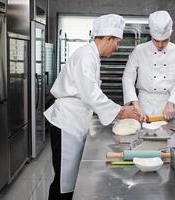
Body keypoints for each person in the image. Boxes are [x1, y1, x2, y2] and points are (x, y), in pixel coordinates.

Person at [44, 14, 141, 200]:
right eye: (117, 42)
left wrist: (116, 110)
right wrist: (120, 111)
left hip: (74, 122)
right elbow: (90, 93)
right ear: (108, 38)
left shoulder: (92, 56)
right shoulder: (86, 56)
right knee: (64, 182)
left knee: (69, 179)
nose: (117, 47)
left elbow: (90, 93)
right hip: (67, 123)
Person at [122, 10, 175, 120]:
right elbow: (128, 77)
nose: (160, 45)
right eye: (156, 40)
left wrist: (171, 103)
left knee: (168, 135)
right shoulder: (139, 50)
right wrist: (135, 104)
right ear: (151, 35)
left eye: (165, 41)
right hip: (143, 104)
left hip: (167, 105)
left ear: (170, 34)